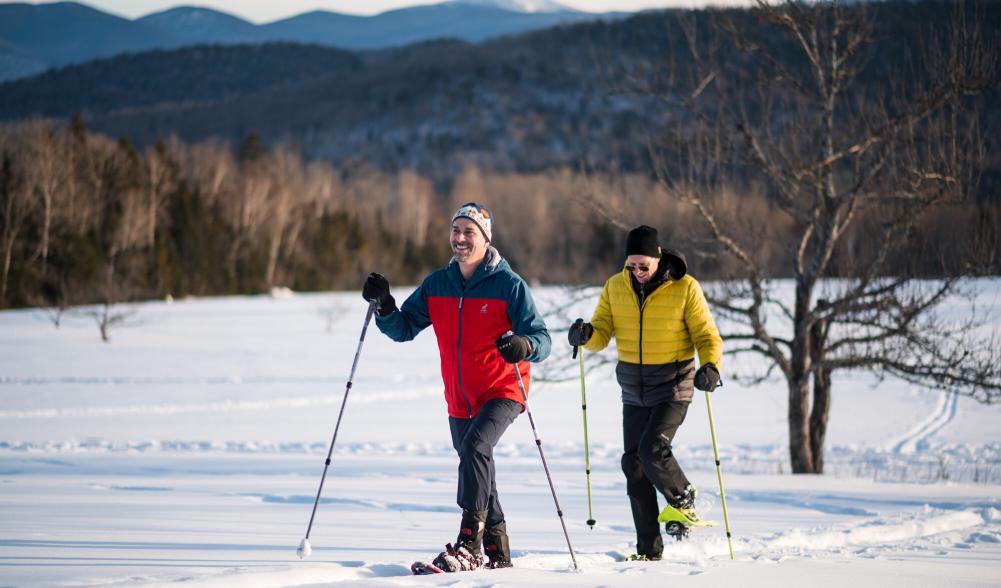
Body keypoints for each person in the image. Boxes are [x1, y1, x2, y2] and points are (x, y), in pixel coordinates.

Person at [362, 202, 551, 571]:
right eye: (456, 230)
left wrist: (523, 345)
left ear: (486, 239)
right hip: (459, 398)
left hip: (503, 390)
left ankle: (469, 545)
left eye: (470, 232)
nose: (460, 238)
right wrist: (384, 304)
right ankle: (499, 553)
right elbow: (404, 328)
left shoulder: (509, 285)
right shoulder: (438, 284)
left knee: (477, 447)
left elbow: (541, 338)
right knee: (475, 462)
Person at [568, 225, 722, 560]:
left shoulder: (685, 288)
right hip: (633, 389)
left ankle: (683, 500)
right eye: (631, 265)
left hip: (673, 385)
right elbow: (602, 334)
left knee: (653, 449)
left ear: (658, 258)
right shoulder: (614, 286)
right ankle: (648, 551)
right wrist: (585, 334)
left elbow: (707, 335)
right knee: (633, 465)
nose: (637, 273)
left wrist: (710, 366)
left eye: (644, 266)